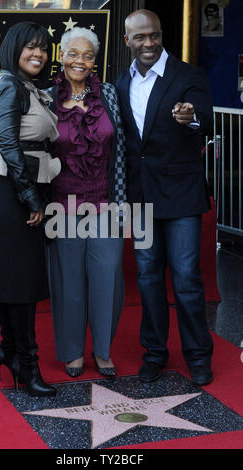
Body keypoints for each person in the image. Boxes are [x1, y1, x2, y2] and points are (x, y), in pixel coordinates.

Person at [0, 27, 127, 378]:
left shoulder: (109, 93)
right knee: (68, 282)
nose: (80, 60)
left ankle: (103, 351)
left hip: (106, 201)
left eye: (88, 55)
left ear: (95, 61)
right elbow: (12, 130)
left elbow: (125, 147)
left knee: (109, 277)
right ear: (62, 56)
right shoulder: (43, 94)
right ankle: (72, 353)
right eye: (73, 53)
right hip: (59, 202)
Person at [115, 9, 214, 386]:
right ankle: (154, 353)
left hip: (182, 196)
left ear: (161, 35)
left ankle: (198, 356)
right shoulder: (119, 84)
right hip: (141, 199)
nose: (149, 43)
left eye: (154, 35)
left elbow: (203, 120)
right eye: (140, 37)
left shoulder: (188, 75)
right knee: (148, 278)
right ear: (127, 42)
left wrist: (190, 118)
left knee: (187, 278)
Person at [0, 21, 61, 397]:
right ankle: (27, 364)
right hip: (10, 190)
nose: (38, 54)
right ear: (13, 49)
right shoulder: (10, 85)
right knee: (22, 278)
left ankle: (9, 351)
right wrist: (31, 199)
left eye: (43, 48)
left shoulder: (25, 86)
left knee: (15, 275)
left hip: (15, 186)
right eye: (30, 47)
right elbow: (8, 146)